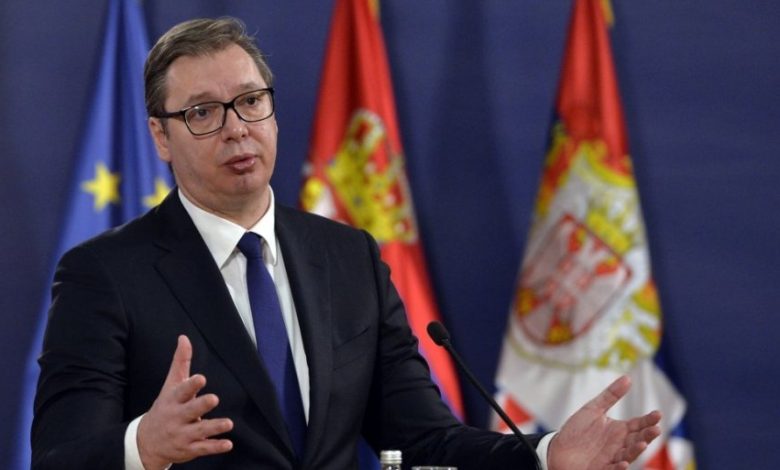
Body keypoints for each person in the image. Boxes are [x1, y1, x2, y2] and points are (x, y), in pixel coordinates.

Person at [31, 17, 661, 470]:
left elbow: (423, 435)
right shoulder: (105, 274)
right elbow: (59, 454)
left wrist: (545, 456)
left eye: (250, 102)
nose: (236, 129)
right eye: (202, 112)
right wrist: (143, 447)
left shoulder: (347, 257)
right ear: (159, 136)